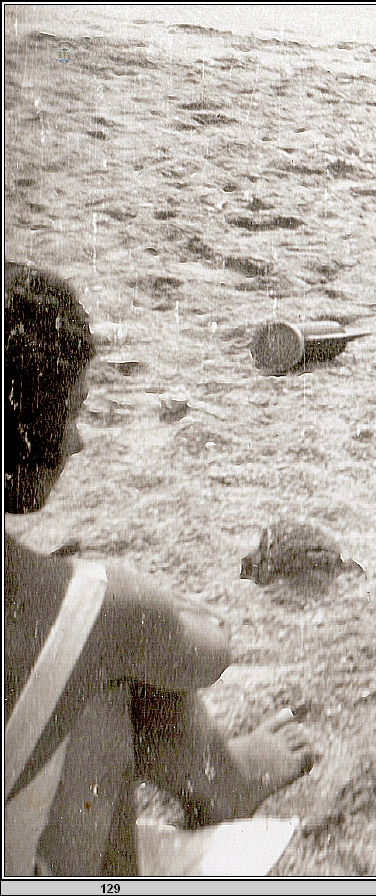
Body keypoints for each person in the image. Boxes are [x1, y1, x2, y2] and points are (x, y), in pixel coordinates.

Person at [4, 262, 316, 875]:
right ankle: (227, 780)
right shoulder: (84, 605)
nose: (78, 441)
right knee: (108, 676)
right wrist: (118, 597)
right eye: (73, 413)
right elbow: (210, 651)